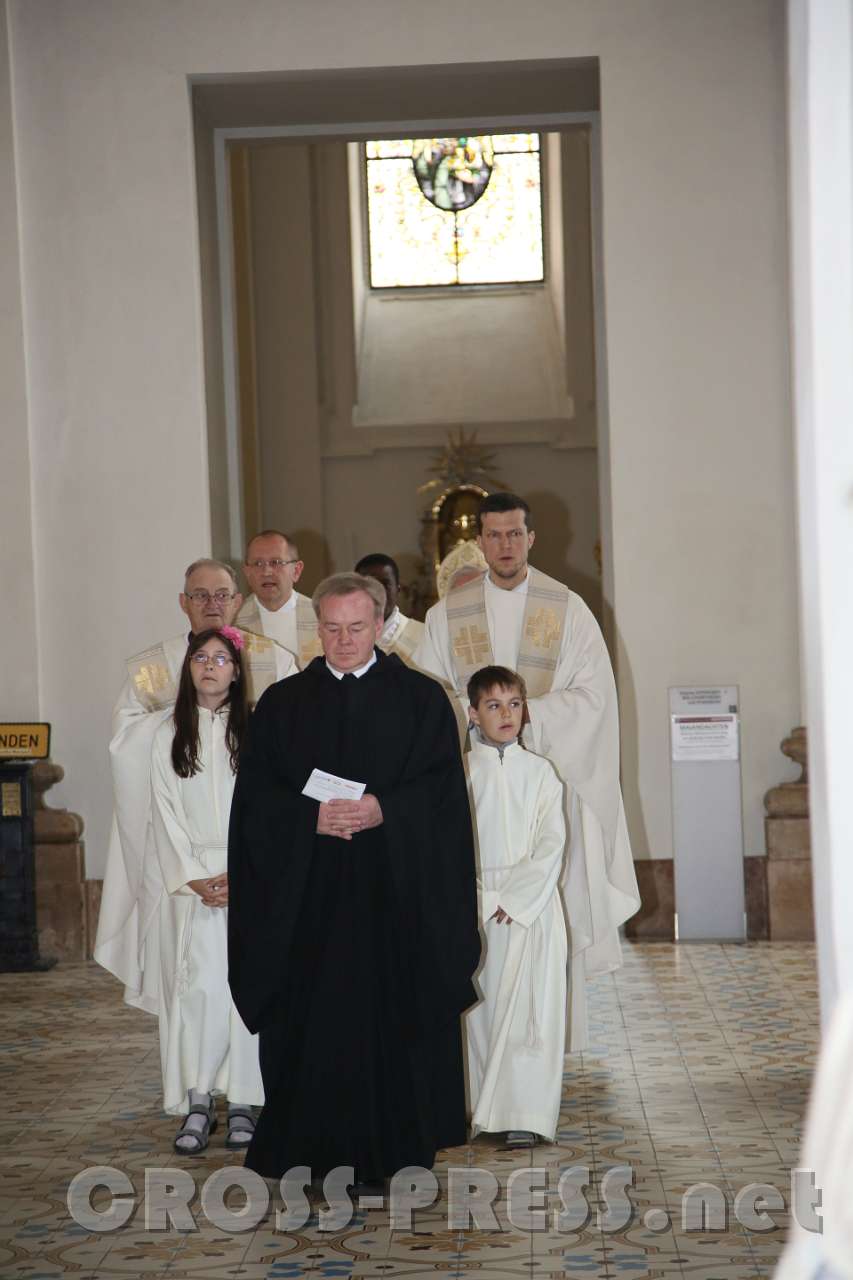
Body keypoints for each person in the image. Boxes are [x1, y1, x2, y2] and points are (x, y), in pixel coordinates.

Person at [228, 572, 481, 1188]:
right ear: (319, 629)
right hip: (308, 898)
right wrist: (308, 818)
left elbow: (443, 799)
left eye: (357, 628)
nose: (344, 641)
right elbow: (256, 803)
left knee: (391, 1020)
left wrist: (384, 809)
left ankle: (396, 1152)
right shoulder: (284, 705)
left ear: (380, 624)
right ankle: (304, 1151)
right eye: (333, 629)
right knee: (311, 1022)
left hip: (393, 896)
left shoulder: (421, 701)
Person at [414, 492, 640, 1051]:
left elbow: (595, 697)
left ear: (531, 538)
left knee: (544, 906)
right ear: (480, 541)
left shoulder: (567, 608)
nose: (505, 545)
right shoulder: (447, 616)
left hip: (546, 788)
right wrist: (473, 731)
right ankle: (479, 1048)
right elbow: (427, 698)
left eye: (515, 534)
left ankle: (542, 1052)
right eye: (494, 535)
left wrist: (524, 717)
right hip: (475, 795)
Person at [95, 558, 296, 1014]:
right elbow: (122, 741)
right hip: (175, 840)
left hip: (251, 842)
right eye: (200, 595)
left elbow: (299, 740)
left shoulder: (273, 660)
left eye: (222, 594)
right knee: (186, 978)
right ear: (183, 603)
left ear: (238, 601)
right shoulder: (153, 668)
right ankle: (193, 1075)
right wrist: (186, 718)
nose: (212, 604)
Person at [150, 626, 264, 1153]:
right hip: (194, 882)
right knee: (198, 991)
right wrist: (193, 875)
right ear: (188, 668)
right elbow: (163, 811)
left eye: (221, 658)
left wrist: (246, 872)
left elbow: (268, 809)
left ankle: (243, 1099)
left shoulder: (257, 731)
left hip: (245, 876)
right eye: (201, 658)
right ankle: (199, 1100)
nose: (211, 666)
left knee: (243, 987)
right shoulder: (168, 733)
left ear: (237, 671)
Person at [464, 665, 567, 1149]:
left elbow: (551, 841)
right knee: (483, 1011)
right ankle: (485, 1109)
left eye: (514, 704)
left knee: (530, 1012)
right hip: (479, 909)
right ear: (472, 713)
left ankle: (526, 1111)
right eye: (493, 705)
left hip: (532, 910)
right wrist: (485, 898)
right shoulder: (460, 773)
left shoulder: (541, 773)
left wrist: (518, 898)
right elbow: (452, 845)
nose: (506, 715)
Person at [237, 529, 323, 669]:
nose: (266, 572)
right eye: (258, 564)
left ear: (296, 570)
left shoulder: (323, 616)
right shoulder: (233, 622)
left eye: (276, 562)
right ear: (247, 573)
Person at [354, 552, 425, 665]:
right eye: (369, 585)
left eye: (385, 584)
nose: (377, 592)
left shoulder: (424, 637)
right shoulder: (336, 639)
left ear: (397, 590)